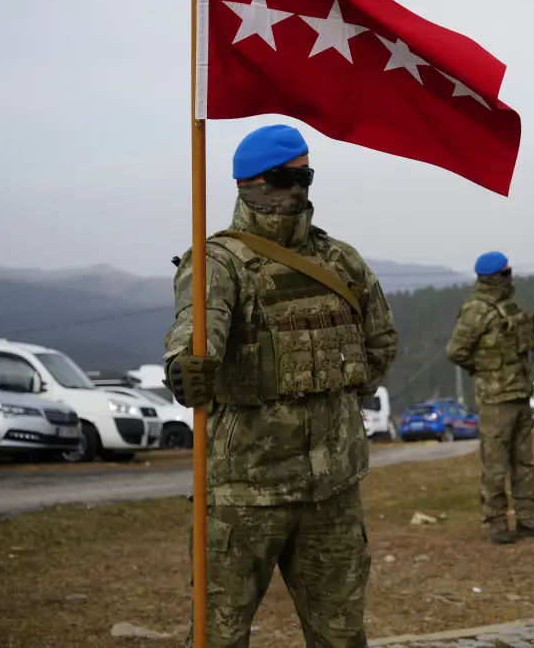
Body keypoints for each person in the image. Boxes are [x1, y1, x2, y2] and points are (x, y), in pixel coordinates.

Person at [162, 124, 398, 648]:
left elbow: (380, 342)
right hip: (245, 491)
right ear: (248, 184)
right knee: (219, 636)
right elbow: (197, 328)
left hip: (331, 491)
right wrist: (185, 366)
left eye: (305, 178)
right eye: (282, 179)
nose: (295, 190)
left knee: (341, 636)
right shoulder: (217, 262)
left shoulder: (340, 260)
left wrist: (335, 395)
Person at [445, 252, 534, 545]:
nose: (511, 278)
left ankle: (528, 518)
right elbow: (456, 351)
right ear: (494, 278)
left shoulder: (508, 307)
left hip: (520, 393)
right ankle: (496, 522)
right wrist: (484, 370)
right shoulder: (476, 310)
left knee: (524, 463)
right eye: (506, 273)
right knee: (495, 465)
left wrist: (532, 325)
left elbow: (512, 340)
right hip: (496, 400)